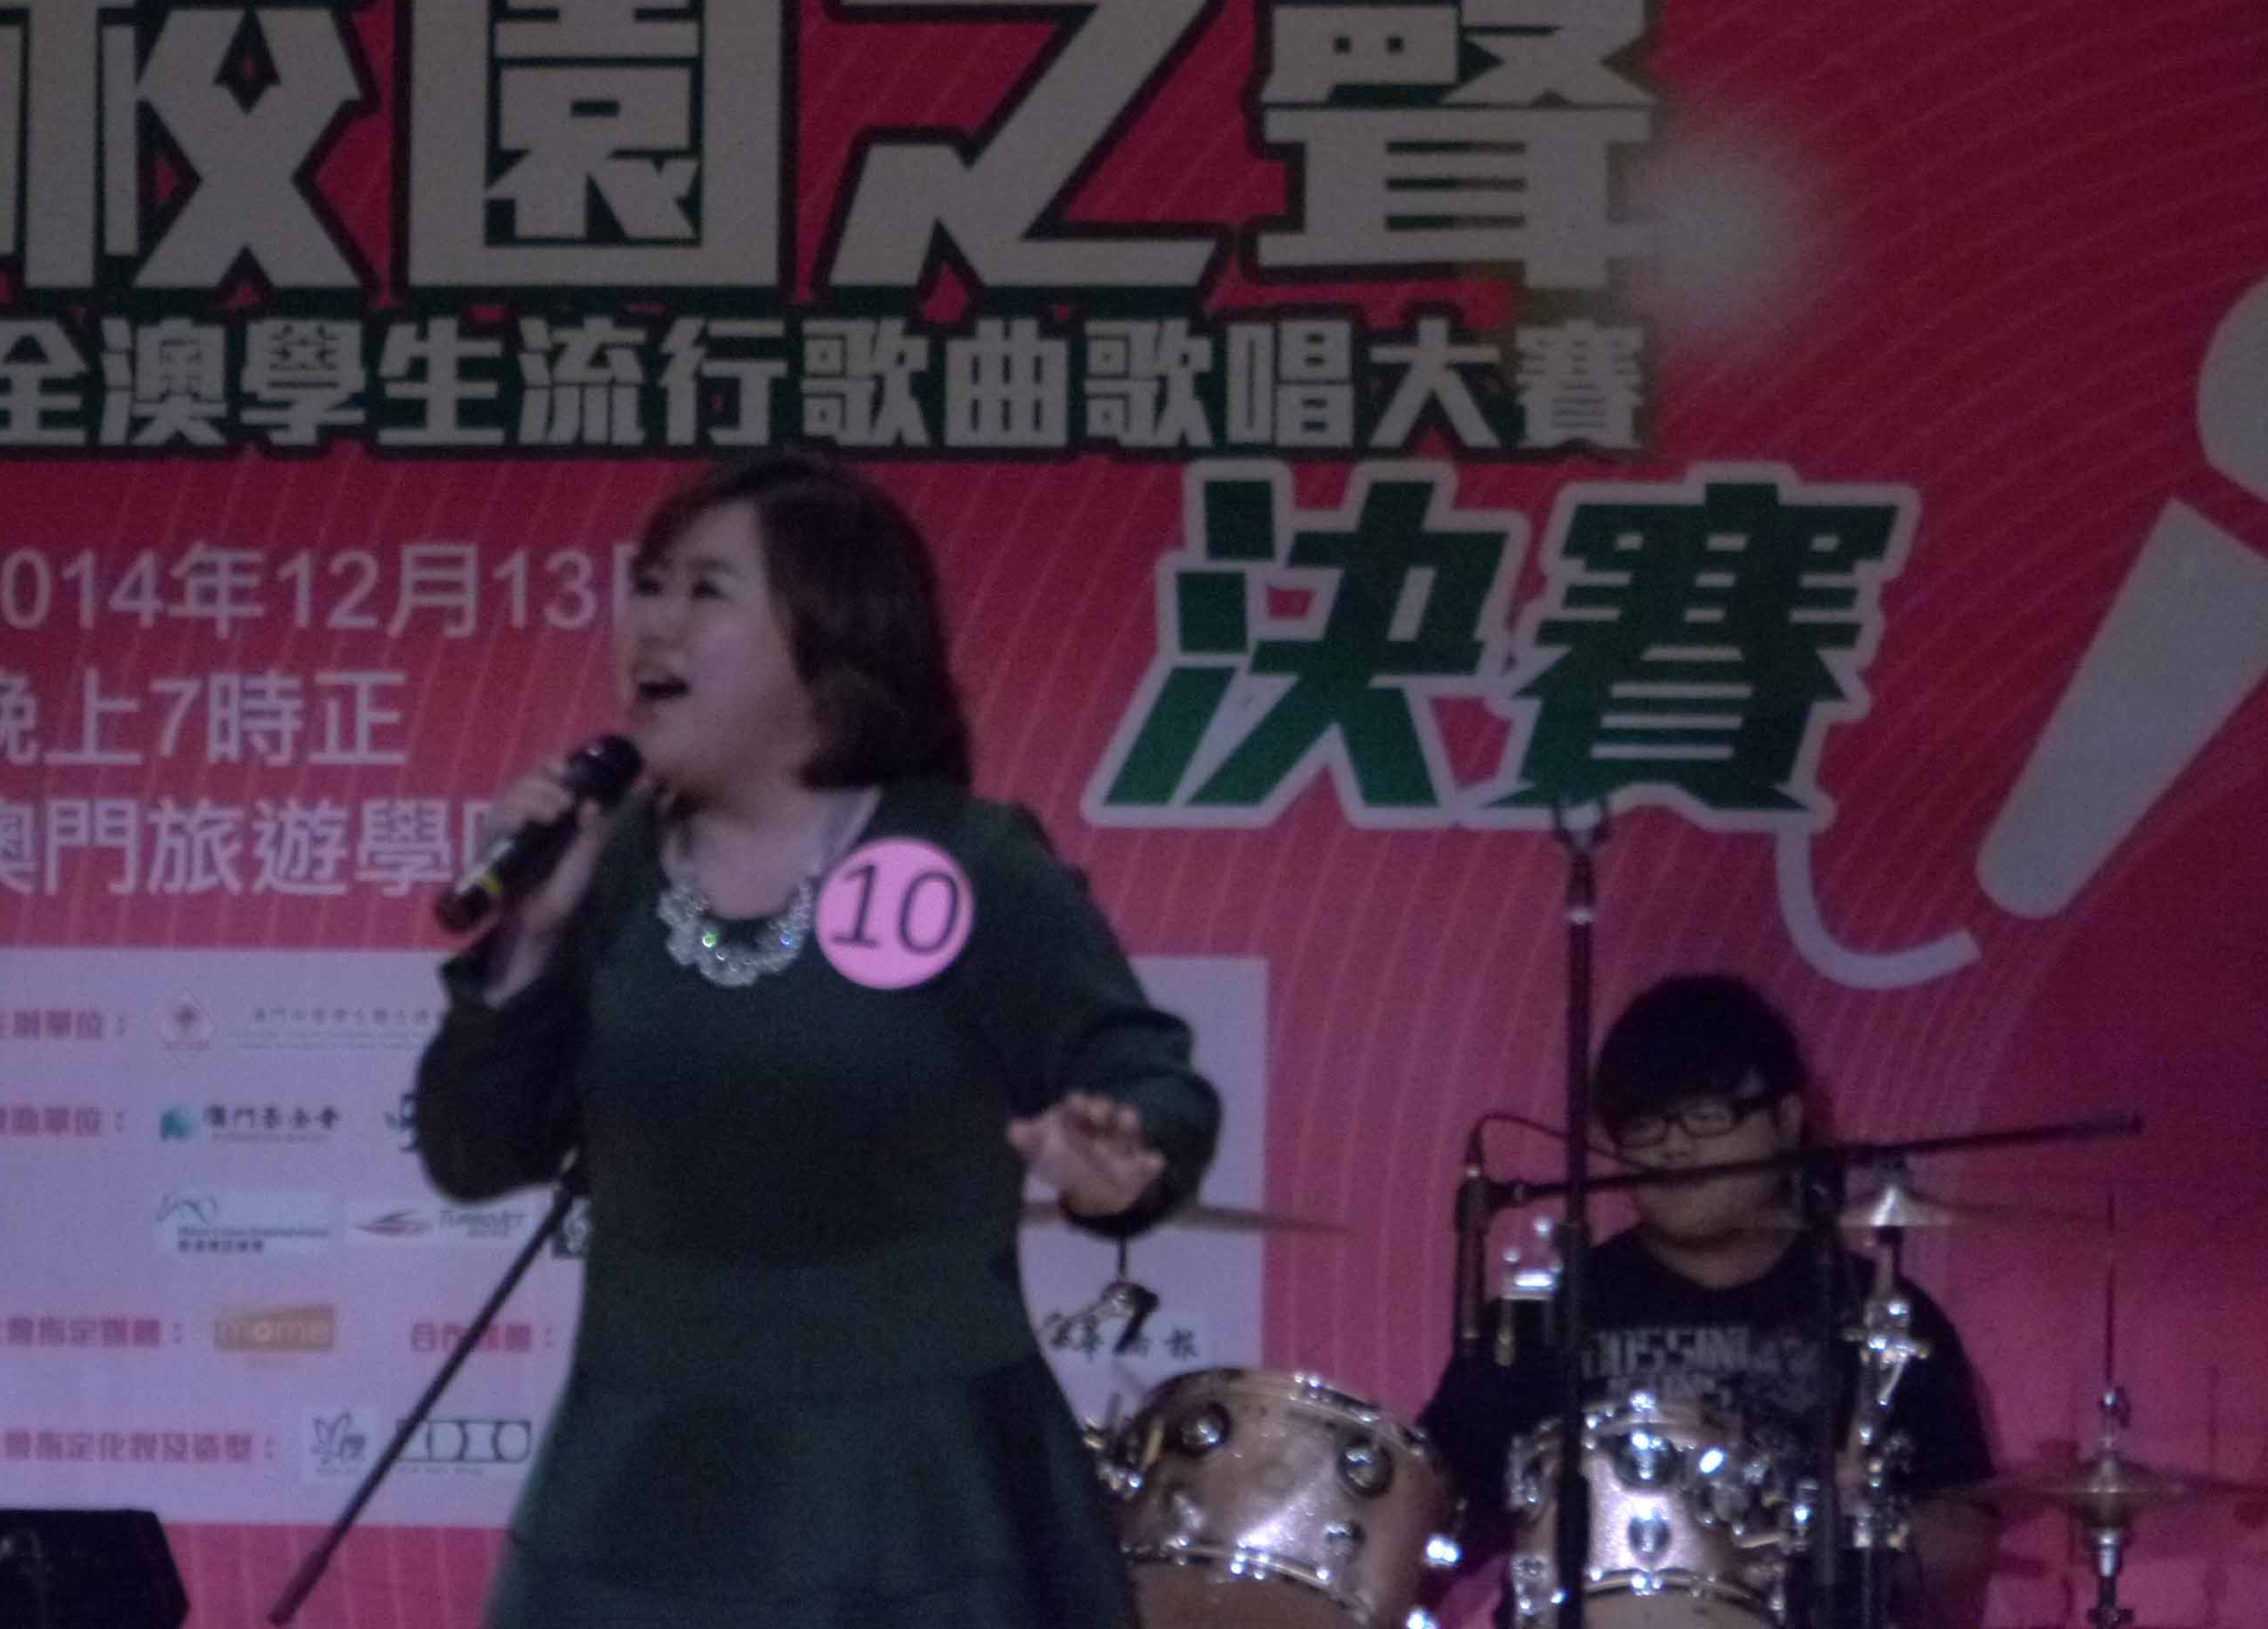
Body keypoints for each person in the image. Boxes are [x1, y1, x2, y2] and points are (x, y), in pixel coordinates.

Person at [414, 452, 1222, 1629]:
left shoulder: (964, 861)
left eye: (706, 589)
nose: (651, 623)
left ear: (834, 639)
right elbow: (472, 1151)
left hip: (916, 1495)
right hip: (640, 1492)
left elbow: (1144, 1072)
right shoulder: (611, 866)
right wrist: (529, 940)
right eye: (649, 584)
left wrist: (1123, 1153)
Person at [1418, 974, 1998, 1628]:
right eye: (1644, 1125)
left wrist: (1863, 1530)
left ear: (1786, 1120)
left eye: (1707, 1116)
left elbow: (1960, 1544)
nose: (1674, 1146)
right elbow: (1430, 1509)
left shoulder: (1875, 1309)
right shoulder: (1542, 1312)